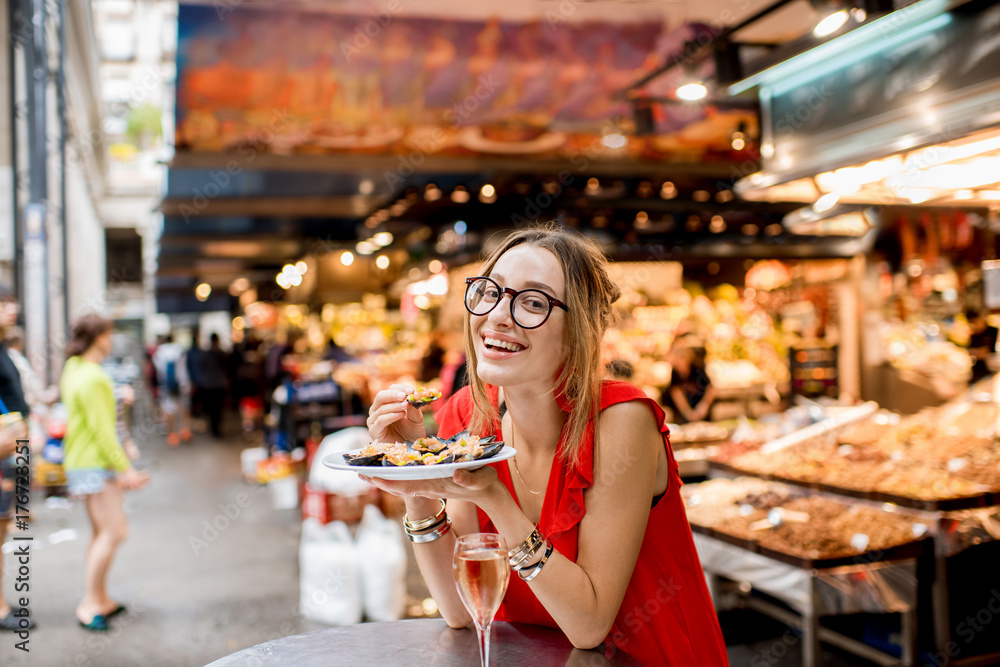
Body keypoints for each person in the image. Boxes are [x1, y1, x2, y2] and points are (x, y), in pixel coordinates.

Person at [362, 226, 728, 665]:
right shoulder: (467, 416)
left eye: (533, 302)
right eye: (490, 292)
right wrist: (417, 482)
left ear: (578, 330)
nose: (498, 315)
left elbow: (589, 624)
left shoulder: (621, 420)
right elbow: (461, 611)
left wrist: (497, 502)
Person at [61, 314, 149, 631]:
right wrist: (125, 469)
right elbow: (104, 430)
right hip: (97, 463)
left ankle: (100, 599)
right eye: (109, 334)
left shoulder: (73, 368)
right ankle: (89, 604)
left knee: (102, 532)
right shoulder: (93, 376)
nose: (111, 339)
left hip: (82, 460)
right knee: (114, 532)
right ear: (99, 337)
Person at [0, 285, 34, 631]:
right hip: (3, 452)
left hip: (12, 452)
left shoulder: (4, 349)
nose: (12, 308)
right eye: (4, 303)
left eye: (12, 301)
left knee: (5, 529)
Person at [152, 333, 192, 446]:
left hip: (166, 385)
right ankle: (185, 431)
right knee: (184, 408)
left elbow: (159, 371)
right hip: (183, 383)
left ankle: (172, 435)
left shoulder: (159, 353)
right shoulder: (180, 350)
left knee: (169, 410)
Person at [662, 343, 715, 423]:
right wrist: (687, 412)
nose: (681, 368)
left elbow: (710, 388)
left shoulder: (697, 368)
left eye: (683, 363)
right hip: (685, 410)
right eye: (678, 365)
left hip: (700, 407)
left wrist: (704, 405)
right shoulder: (675, 372)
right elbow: (676, 392)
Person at [197, 333, 230, 438]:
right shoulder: (221, 354)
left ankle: (214, 428)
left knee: (214, 408)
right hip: (217, 385)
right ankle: (215, 428)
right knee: (216, 409)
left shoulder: (209, 354)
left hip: (211, 385)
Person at [966, 309, 998, 383]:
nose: (973, 325)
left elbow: (986, 353)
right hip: (977, 371)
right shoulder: (973, 335)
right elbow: (970, 352)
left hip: (992, 369)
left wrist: (978, 353)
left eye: (974, 322)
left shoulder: (993, 331)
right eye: (971, 323)